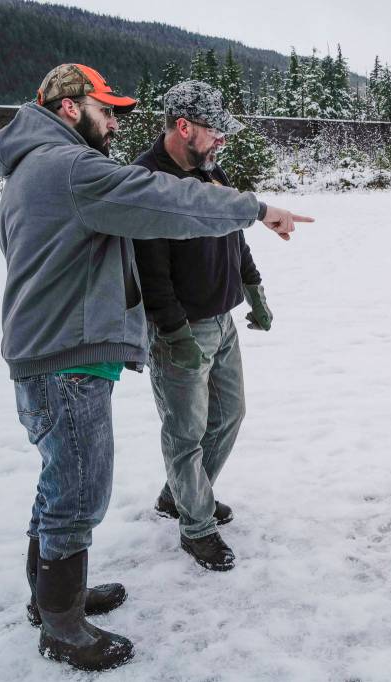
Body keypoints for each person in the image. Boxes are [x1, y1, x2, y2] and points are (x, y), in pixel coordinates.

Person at [0, 63, 312, 672]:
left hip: (51, 347)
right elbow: (163, 202)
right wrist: (256, 207)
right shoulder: (71, 168)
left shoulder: (35, 169)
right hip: (65, 355)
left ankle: (51, 597)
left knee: (63, 481)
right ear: (69, 108)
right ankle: (62, 625)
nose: (114, 122)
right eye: (106, 110)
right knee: (80, 490)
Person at [132, 80, 271, 572]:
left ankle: (182, 495)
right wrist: (174, 335)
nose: (222, 141)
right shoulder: (145, 181)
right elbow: (151, 274)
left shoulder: (212, 170)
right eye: (215, 131)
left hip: (223, 320)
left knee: (229, 414)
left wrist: (253, 289)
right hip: (180, 330)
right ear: (183, 126)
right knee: (185, 432)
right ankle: (196, 526)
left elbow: (235, 232)